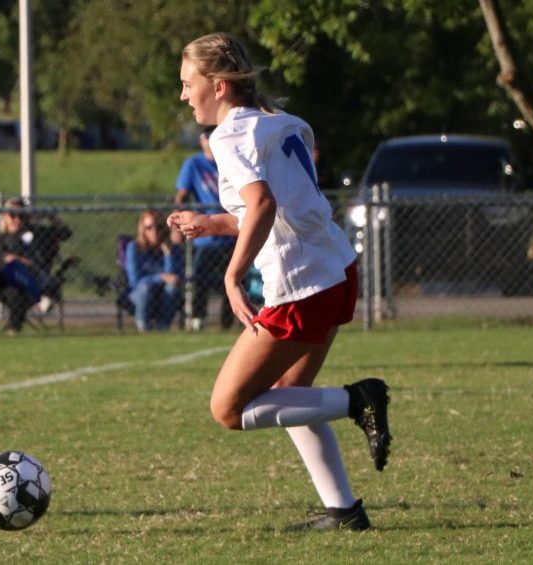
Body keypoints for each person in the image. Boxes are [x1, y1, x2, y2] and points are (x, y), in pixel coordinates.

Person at [167, 33, 392, 531]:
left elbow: (264, 206)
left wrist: (231, 276)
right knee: (293, 393)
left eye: (188, 84)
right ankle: (344, 512)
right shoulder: (284, 125)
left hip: (302, 283)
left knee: (227, 409)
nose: (183, 95)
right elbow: (278, 211)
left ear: (219, 86)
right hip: (336, 271)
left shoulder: (226, 137)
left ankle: (360, 399)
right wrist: (213, 223)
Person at [175, 126, 235, 331]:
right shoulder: (194, 164)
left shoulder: (229, 160)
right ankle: (198, 318)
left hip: (230, 232)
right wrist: (178, 222)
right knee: (200, 279)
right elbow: (181, 195)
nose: (209, 140)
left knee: (234, 278)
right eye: (205, 136)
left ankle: (229, 321)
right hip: (205, 236)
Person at [0, 197, 73, 334]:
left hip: (34, 278)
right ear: (4, 216)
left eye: (21, 215)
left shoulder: (36, 232)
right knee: (15, 286)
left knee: (20, 289)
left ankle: (14, 328)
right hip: (5, 281)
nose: (17, 220)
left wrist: (50, 216)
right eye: (13, 215)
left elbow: (66, 233)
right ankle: (16, 326)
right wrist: (15, 260)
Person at [125, 210, 183, 331]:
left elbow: (173, 278)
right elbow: (135, 281)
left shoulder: (172, 248)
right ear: (143, 230)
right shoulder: (134, 248)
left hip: (163, 293)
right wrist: (160, 277)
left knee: (172, 289)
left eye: (159, 227)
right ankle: (143, 328)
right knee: (146, 288)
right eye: (149, 228)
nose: (154, 231)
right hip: (140, 293)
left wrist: (168, 254)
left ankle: (163, 327)